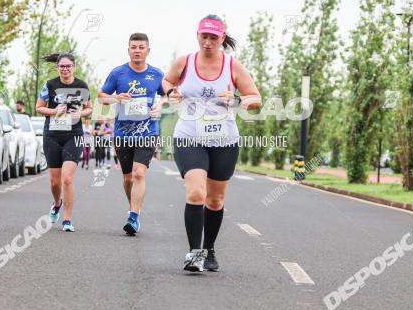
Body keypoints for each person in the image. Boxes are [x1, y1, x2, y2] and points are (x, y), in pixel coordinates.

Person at [162, 15, 261, 272]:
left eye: (213, 37)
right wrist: (171, 93)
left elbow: (255, 99)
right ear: (197, 35)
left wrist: (237, 100)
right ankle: (194, 253)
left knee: (215, 200)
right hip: (189, 136)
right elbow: (167, 82)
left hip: (223, 139)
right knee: (196, 192)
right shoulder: (185, 62)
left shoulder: (232, 66)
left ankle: (209, 249)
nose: (208, 42)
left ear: (222, 38)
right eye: (204, 36)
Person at [98, 33, 165, 236]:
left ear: (148, 50)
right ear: (128, 50)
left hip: (148, 131)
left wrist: (160, 104)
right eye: (133, 47)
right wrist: (116, 98)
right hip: (123, 133)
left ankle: (133, 217)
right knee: (128, 178)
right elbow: (101, 97)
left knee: (139, 173)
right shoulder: (118, 73)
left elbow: (170, 95)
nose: (137, 50)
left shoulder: (157, 74)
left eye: (141, 47)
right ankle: (133, 208)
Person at [35, 52, 92, 232]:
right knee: (55, 182)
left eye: (68, 66)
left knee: (67, 178)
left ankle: (67, 219)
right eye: (62, 66)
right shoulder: (49, 85)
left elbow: (89, 109)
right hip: (52, 134)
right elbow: (39, 108)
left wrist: (79, 114)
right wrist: (54, 111)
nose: (65, 69)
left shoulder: (81, 86)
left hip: (73, 135)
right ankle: (57, 203)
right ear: (58, 67)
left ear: (74, 67)